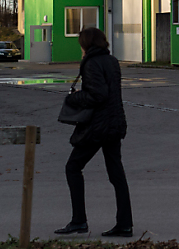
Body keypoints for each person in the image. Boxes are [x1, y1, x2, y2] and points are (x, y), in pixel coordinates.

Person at [54, 27, 133, 237]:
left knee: (72, 167)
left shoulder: (91, 62)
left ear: (86, 44)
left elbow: (98, 95)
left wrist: (74, 98)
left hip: (98, 126)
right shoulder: (112, 61)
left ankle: (79, 221)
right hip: (115, 123)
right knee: (117, 174)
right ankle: (125, 224)